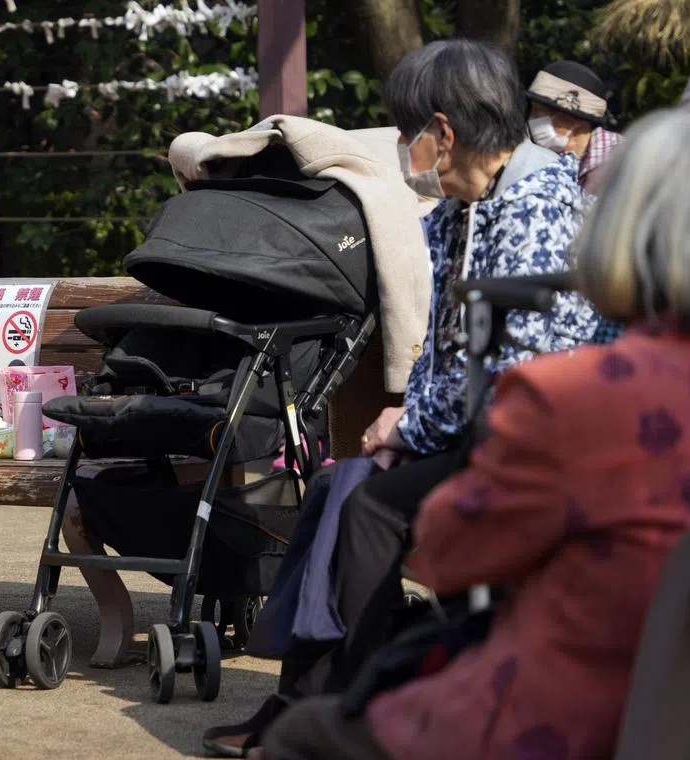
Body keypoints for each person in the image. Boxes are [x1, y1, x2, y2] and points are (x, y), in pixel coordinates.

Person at [251, 106, 690, 760]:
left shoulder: (576, 399)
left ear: (621, 228)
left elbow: (449, 556)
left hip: (563, 721)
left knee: (300, 739)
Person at [203, 38, 605, 757]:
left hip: (536, 440)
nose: (401, 147)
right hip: (476, 429)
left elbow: (514, 370)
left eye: (407, 131)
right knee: (337, 488)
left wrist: (410, 427)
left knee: (370, 510)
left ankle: (358, 711)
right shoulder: (463, 204)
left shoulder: (539, 206)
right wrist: (402, 420)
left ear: (444, 133)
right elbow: (438, 347)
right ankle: (303, 699)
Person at [526, 60, 623, 191]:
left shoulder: (614, 163)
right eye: (533, 111)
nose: (533, 120)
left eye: (539, 113)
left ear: (574, 120)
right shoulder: (548, 159)